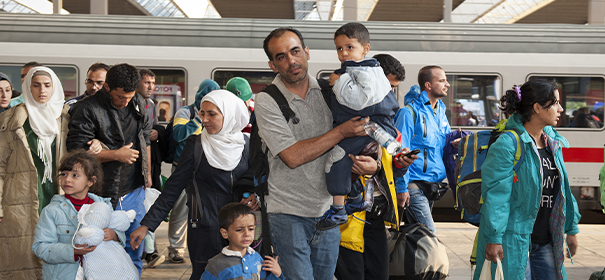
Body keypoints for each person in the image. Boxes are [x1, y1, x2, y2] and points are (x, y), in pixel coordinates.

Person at [255, 27, 372, 280]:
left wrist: (371, 165)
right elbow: (292, 156)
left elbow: (358, 140)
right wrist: (340, 132)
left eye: (295, 51)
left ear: (307, 52)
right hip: (288, 213)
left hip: (328, 211)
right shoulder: (267, 100)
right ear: (272, 65)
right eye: (281, 56)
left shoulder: (332, 91)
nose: (291, 61)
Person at [130, 89, 253, 280]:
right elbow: (172, 188)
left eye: (212, 114)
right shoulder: (196, 145)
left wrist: (256, 197)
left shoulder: (246, 145)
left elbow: (257, 182)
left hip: (242, 231)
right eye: (202, 113)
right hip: (206, 230)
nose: (204, 119)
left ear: (229, 114)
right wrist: (147, 225)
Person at [474, 80, 581, 280]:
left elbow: (563, 188)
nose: (561, 108)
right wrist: (494, 237)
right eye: (555, 103)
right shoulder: (507, 144)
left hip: (546, 241)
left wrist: (571, 227)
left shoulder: (552, 142)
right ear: (537, 108)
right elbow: (497, 196)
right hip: (512, 240)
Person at [66, 63, 152, 275]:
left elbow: (145, 137)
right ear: (107, 88)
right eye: (120, 97)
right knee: (101, 254)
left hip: (134, 190)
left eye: (130, 97)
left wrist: (147, 174)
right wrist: (116, 155)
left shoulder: (137, 102)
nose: (125, 102)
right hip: (101, 194)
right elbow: (76, 152)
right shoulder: (87, 109)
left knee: (134, 250)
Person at [335, 53, 415, 280]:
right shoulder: (343, 117)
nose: (388, 93)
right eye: (386, 86)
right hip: (350, 215)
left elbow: (389, 168)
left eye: (392, 88)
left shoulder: (388, 125)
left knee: (380, 274)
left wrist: (400, 164)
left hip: (376, 213)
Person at [318, 22, 400, 230]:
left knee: (335, 162)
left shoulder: (364, 70)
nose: (343, 53)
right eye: (339, 48)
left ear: (365, 49)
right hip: (367, 127)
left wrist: (338, 82)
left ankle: (338, 211)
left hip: (366, 127)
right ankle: (354, 197)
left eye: (349, 47)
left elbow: (359, 101)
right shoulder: (364, 68)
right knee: (347, 162)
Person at [0, 66, 71, 279]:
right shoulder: (11, 119)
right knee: (24, 257)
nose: (42, 90)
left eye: (47, 85)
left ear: (54, 87)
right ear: (27, 87)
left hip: (59, 194)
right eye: (36, 85)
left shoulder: (67, 118)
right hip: (20, 197)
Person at [32, 150, 127, 280]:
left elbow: (120, 237)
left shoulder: (103, 207)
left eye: (75, 175)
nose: (67, 179)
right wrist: (72, 251)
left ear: (91, 181)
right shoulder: (51, 210)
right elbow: (40, 247)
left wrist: (114, 235)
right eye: (64, 174)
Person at [394, 65, 459, 234]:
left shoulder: (440, 112)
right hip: (413, 186)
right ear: (428, 85)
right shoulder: (408, 113)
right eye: (442, 80)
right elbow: (399, 153)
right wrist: (401, 188)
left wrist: (455, 143)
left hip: (431, 186)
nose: (447, 84)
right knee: (430, 237)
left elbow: (439, 144)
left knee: (419, 238)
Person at [164, 79, 220, 264]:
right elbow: (178, 134)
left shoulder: (218, 113)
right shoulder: (185, 112)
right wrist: (198, 120)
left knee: (202, 210)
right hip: (182, 167)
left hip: (205, 168)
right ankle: (176, 249)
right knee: (180, 210)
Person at [201, 202, 283, 280]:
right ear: (225, 233)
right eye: (239, 230)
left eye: (251, 229)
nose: (246, 234)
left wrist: (277, 274)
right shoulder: (215, 264)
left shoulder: (257, 258)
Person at [135, 68, 166, 268]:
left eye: (153, 83)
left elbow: (151, 130)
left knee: (147, 205)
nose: (150, 87)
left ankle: (149, 251)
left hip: (150, 161)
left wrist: (158, 132)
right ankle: (147, 251)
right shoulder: (133, 104)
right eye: (147, 82)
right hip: (137, 160)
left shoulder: (151, 104)